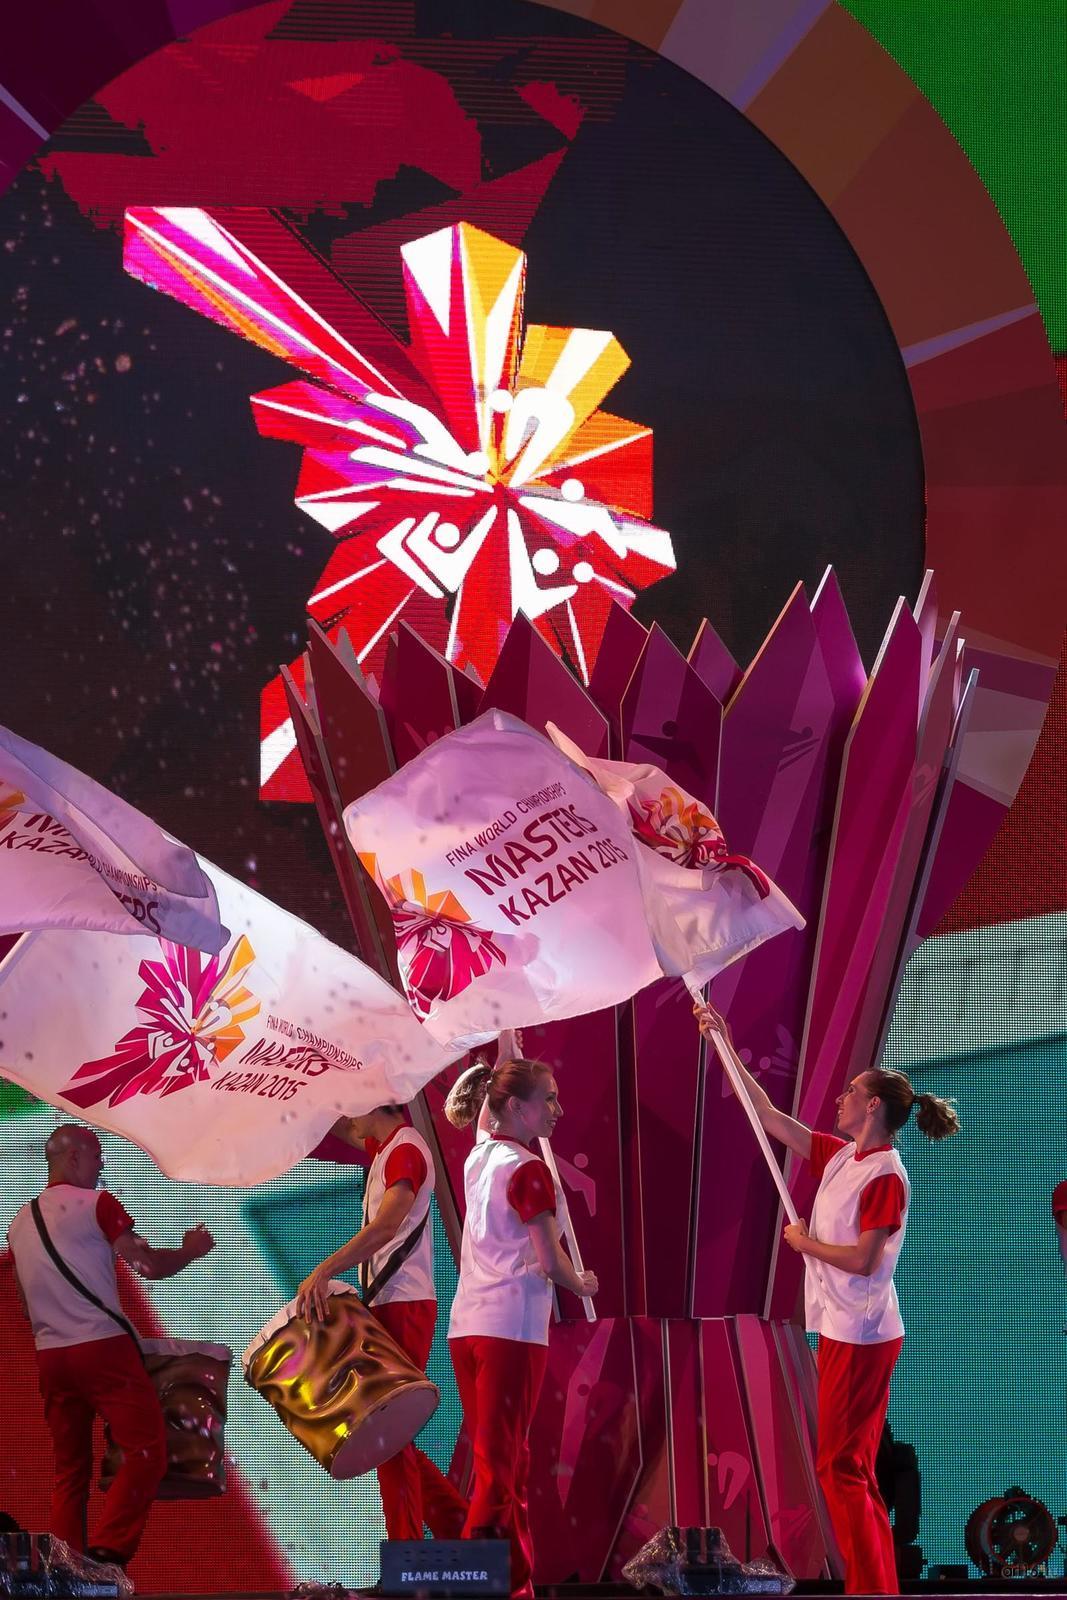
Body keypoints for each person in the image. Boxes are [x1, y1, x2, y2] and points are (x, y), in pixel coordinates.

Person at [695, 1003, 959, 1597]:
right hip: (843, 1328)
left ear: (873, 1105)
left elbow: (865, 1259)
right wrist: (724, 1045)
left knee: (841, 1469)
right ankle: (876, 1585)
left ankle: (870, 1588)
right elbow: (769, 1118)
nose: (840, 1099)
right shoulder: (844, 1156)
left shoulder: (884, 1175)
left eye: (851, 1092)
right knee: (849, 1469)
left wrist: (805, 1244)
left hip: (863, 1335)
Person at [7, 1124, 214, 1571]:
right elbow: (148, 1265)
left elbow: (26, 1304)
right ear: (74, 1158)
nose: (102, 1165)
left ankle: (66, 1568)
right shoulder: (97, 1203)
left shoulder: (19, 1224)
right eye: (97, 1155)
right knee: (147, 1450)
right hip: (102, 1349)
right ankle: (107, 1552)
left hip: (52, 1357)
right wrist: (190, 1251)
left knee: (70, 1472)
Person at [444, 1056, 597, 1600]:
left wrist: (507, 1050)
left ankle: (515, 1583)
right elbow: (551, 1261)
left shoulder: (478, 1158)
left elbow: (485, 1119)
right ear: (516, 1106)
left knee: (507, 1462)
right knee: (499, 1470)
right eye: (548, 1098)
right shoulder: (528, 1170)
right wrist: (582, 1284)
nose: (558, 1109)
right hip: (510, 1330)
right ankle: (464, 1584)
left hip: (468, 1328)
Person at [295, 1103, 468, 1542]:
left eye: (351, 1104)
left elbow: (386, 1226)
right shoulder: (387, 1146)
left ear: (373, 1101)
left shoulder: (405, 1149)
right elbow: (346, 1129)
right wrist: (302, 1102)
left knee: (387, 1433)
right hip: (388, 1302)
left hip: (403, 1303)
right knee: (388, 1434)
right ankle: (461, 1530)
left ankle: (408, 1551)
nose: (348, 1118)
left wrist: (324, 1270)